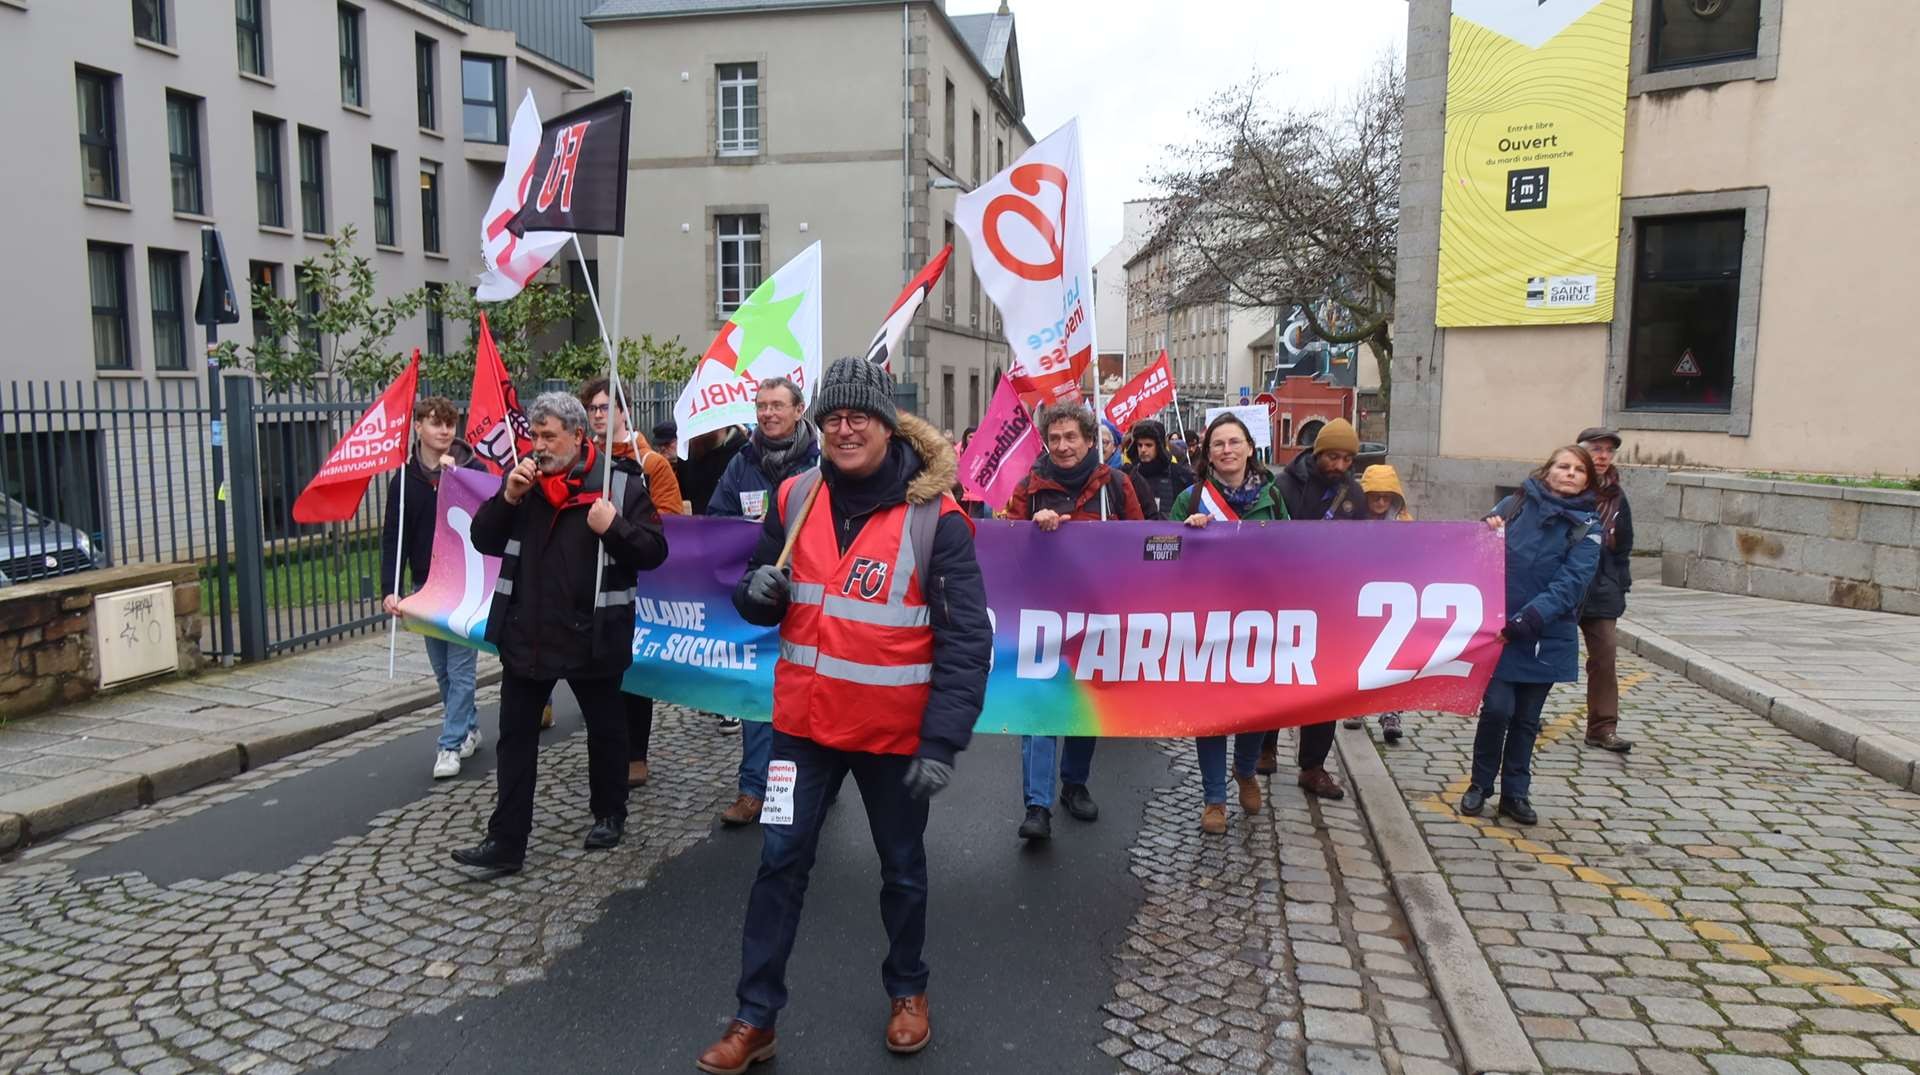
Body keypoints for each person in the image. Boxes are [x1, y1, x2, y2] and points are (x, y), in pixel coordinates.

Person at [697, 357, 990, 1073]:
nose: (844, 428)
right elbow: (756, 594)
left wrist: (943, 741)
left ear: (887, 425)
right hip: (802, 729)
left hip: (892, 737)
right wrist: (756, 594)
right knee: (778, 862)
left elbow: (966, 639)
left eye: (858, 416)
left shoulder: (935, 518)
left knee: (902, 869)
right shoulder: (796, 497)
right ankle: (755, 1016)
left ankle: (908, 990)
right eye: (832, 417)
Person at [451, 393, 669, 874]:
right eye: (535, 436)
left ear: (577, 436)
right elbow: (484, 539)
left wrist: (614, 528)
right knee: (514, 739)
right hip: (527, 635)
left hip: (593, 633)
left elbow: (654, 551)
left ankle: (609, 813)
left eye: (549, 436)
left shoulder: (618, 484)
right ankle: (507, 841)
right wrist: (507, 497)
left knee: (607, 730)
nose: (539, 446)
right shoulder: (524, 484)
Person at [1003, 403, 1145, 841]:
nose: (1063, 446)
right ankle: (1037, 805)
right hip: (1041, 616)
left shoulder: (1118, 485)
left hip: (1097, 615)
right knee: (1040, 706)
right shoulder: (1030, 487)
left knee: (1085, 703)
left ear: (1089, 440)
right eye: (1055, 438)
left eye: (1072, 437)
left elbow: (1143, 541)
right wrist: (1029, 526)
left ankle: (1075, 783)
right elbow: (1003, 543)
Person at [1460, 446, 1603, 827]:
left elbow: (1570, 583)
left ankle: (1515, 793)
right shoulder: (1514, 505)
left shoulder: (1589, 527)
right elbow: (1474, 552)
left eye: (1578, 469)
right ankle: (1480, 784)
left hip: (1544, 635)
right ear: (1548, 470)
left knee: (1526, 719)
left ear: (1588, 479)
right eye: (1562, 466)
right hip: (1500, 633)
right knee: (1497, 710)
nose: (1569, 473)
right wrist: (1485, 528)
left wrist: (1528, 620)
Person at [707, 378, 823, 828]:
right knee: (760, 690)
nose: (768, 413)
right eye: (761, 406)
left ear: (799, 410)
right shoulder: (742, 463)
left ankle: (814, 781)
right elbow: (716, 520)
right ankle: (753, 788)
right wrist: (746, 525)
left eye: (777, 405)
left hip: (815, 593)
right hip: (762, 589)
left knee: (812, 692)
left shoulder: (823, 460)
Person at [1168, 412, 1289, 834]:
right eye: (1218, 444)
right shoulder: (1191, 497)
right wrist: (1188, 534)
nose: (1227, 450)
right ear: (1207, 452)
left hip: (1260, 617)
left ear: (1249, 449)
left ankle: (1245, 768)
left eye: (1234, 442)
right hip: (1208, 619)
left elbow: (1295, 549)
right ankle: (1214, 799)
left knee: (1258, 706)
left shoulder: (1272, 497)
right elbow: (1164, 556)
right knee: (1212, 710)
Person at [582, 378, 687, 789]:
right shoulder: (585, 460)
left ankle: (635, 753)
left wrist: (617, 526)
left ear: (624, 411)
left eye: (606, 407)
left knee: (634, 666)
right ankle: (608, 747)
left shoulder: (651, 464)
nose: (599, 415)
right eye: (593, 409)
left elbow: (670, 520)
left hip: (641, 581)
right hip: (591, 580)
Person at [380, 396, 488, 779]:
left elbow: (489, 511)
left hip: (463, 583)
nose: (444, 430)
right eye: (435, 423)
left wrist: (454, 478)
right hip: (425, 584)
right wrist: (390, 588)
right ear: (419, 428)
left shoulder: (469, 469)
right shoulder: (404, 482)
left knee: (461, 669)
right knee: (442, 669)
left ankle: (450, 744)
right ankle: (469, 726)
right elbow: (394, 537)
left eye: (449, 423)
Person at [1265, 416, 1366, 798]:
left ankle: (1313, 765)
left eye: (1346, 459)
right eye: (1333, 457)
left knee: (1325, 686)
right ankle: (1265, 744)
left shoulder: (1352, 496)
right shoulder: (1284, 486)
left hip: (1329, 603)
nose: (1339, 465)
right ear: (1318, 453)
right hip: (1283, 597)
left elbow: (1363, 549)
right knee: (1274, 677)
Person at [1343, 464, 1415, 744]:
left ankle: (1391, 712)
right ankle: (1355, 706)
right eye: (1375, 496)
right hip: (1359, 598)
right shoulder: (1351, 521)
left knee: (1393, 658)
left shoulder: (1404, 524)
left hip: (1393, 599)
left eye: (1387, 497)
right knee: (1358, 655)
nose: (1381, 502)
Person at [1576, 427, 1634, 753]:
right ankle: (1525, 715)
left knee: (1605, 657)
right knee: (1540, 651)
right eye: (1596, 449)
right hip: (1562, 585)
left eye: (1608, 451)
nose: (1603, 456)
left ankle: (1602, 726)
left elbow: (1624, 544)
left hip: (1601, 587)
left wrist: (1620, 585)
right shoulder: (1565, 483)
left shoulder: (1616, 496)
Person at [1126, 419, 1195, 521]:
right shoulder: (1130, 476)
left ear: (1159, 446)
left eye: (1148, 445)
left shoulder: (1181, 476)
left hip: (1172, 534)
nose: (1143, 450)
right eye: (1139, 445)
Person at [1101, 420, 1160, 519]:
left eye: (1104, 442)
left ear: (1115, 446)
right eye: (1095, 441)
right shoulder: (1084, 475)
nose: (1099, 447)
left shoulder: (1129, 475)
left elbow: (1149, 514)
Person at [684, 426, 747, 518]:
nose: (696, 435)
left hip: (728, 526)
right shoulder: (687, 455)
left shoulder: (742, 454)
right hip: (696, 526)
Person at [654, 420, 691, 502]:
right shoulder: (657, 468)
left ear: (679, 440)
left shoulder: (691, 464)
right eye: (659, 445)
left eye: (667, 443)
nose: (662, 448)